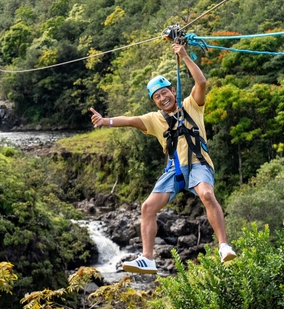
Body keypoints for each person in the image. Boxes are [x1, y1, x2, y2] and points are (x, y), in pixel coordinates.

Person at [89, 43, 236, 275]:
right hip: (175, 170)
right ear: (154, 101)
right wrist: (104, 120)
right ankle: (147, 258)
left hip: (198, 163)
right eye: (157, 96)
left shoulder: (191, 106)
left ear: (173, 91)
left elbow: (201, 83)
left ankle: (223, 246)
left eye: (164, 92)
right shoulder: (154, 120)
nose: (162, 98)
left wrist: (185, 56)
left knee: (207, 194)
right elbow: (129, 120)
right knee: (147, 207)